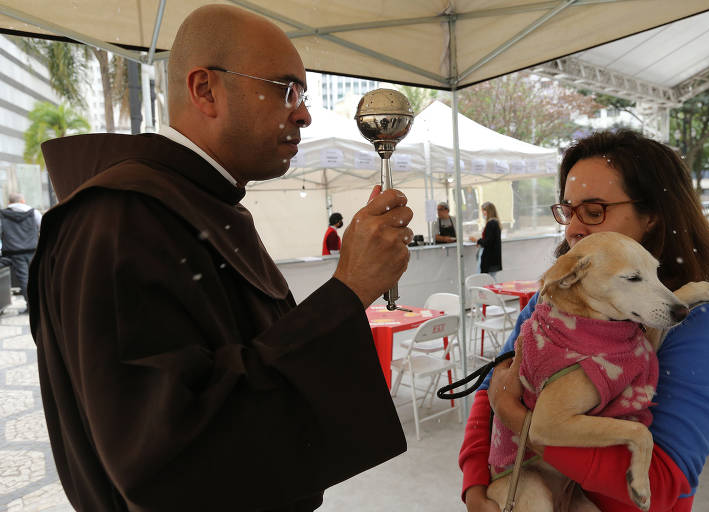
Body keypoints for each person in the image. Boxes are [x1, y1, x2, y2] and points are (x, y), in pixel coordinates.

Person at [29, 5, 415, 512]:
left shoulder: (196, 203)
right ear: (204, 89)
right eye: (284, 89)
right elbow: (166, 460)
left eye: (303, 94)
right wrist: (347, 291)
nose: (303, 112)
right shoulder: (122, 219)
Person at [459, 130, 709, 512]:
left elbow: (658, 486)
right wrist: (476, 485)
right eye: (567, 210)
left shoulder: (701, 326)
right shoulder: (556, 299)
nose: (573, 228)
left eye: (593, 211)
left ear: (653, 217)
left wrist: (518, 418)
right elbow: (491, 386)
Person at [0, 192, 42, 313]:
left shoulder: (2, 215)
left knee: (24, 279)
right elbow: (43, 228)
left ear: (9, 203)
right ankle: (38, 305)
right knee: (36, 276)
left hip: (14, 252)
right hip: (33, 250)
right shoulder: (34, 212)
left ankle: (32, 306)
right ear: (23, 201)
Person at [469, 201, 502, 278]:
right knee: (490, 279)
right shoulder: (495, 223)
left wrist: (477, 240)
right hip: (493, 258)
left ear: (488, 211)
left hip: (488, 258)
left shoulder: (491, 223)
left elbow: (487, 242)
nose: (483, 213)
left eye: (484, 210)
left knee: (484, 279)